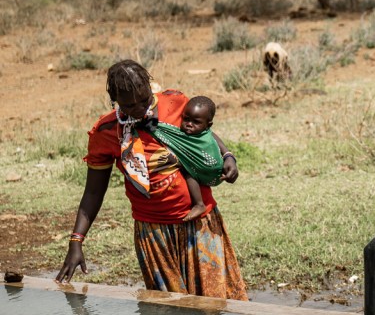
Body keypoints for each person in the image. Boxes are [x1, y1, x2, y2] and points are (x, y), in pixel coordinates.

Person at [55, 60, 247, 300]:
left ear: (149, 86)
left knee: (214, 303)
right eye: (129, 105)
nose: (139, 109)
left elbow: (202, 133)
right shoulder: (106, 132)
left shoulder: (175, 104)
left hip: (201, 224)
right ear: (114, 99)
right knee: (169, 308)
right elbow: (93, 193)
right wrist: (76, 241)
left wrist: (228, 155)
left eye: (144, 100)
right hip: (154, 234)